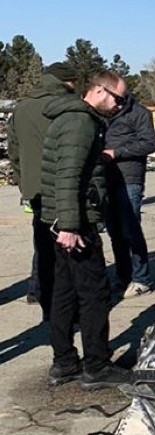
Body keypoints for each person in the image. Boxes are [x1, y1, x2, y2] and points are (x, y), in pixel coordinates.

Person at [40, 70, 133, 389]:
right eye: (118, 99)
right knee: (95, 294)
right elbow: (68, 176)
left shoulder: (71, 119)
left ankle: (64, 362)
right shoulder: (81, 124)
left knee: (64, 293)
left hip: (63, 222)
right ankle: (96, 365)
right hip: (75, 224)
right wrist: (69, 226)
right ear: (99, 91)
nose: (120, 106)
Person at [7, 62, 78, 320]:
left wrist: (24, 182)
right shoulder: (63, 107)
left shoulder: (21, 108)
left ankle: (46, 304)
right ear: (67, 82)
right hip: (64, 189)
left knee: (44, 248)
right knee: (69, 253)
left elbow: (13, 151)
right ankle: (67, 311)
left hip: (35, 190)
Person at [103, 83, 155, 298]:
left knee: (130, 230)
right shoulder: (102, 114)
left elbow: (149, 144)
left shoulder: (139, 113)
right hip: (106, 179)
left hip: (129, 178)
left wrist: (118, 152)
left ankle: (141, 279)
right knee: (114, 232)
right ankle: (122, 276)